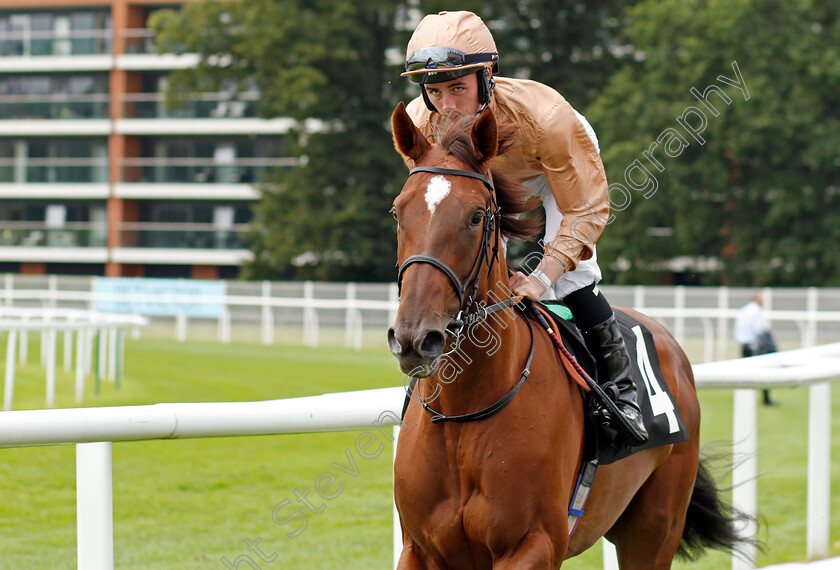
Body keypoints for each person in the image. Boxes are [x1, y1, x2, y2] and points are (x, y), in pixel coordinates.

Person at [399, 11, 647, 444]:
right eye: (435, 91)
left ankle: (622, 392)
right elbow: (449, 216)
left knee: (573, 279)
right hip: (481, 178)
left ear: (487, 73)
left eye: (459, 87)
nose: (448, 105)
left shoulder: (548, 117)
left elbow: (587, 209)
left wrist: (540, 277)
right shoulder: (420, 121)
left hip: (550, 167)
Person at [734, 291, 779, 406]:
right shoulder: (757, 311)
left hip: (744, 345)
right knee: (763, 372)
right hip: (755, 346)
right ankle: (766, 399)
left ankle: (745, 400)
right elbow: (758, 330)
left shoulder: (743, 310)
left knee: (745, 373)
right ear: (757, 299)